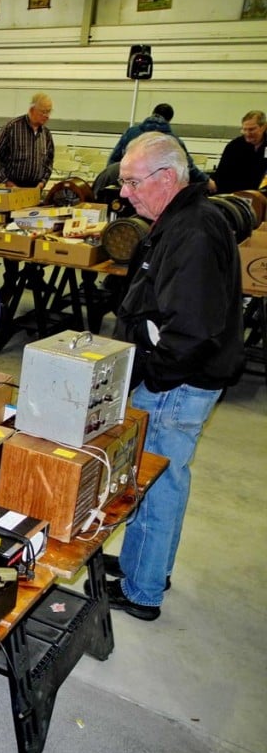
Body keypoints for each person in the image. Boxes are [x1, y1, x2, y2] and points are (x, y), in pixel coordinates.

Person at [106, 132, 244, 621]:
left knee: (156, 483)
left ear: (167, 178)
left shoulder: (196, 231)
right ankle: (143, 566)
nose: (124, 192)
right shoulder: (180, 221)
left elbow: (191, 330)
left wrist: (154, 380)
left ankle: (143, 589)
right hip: (176, 380)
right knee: (159, 480)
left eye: (131, 181)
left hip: (176, 385)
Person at [0, 93, 55, 302]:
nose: (47, 116)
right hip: (13, 189)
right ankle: (10, 280)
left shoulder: (46, 134)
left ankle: (34, 276)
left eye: (49, 112)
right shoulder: (12, 128)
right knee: (13, 237)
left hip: (34, 191)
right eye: (44, 112)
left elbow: (49, 160)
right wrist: (6, 181)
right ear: (32, 109)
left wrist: (43, 181)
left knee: (35, 233)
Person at [107, 103, 213, 188]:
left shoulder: (130, 133)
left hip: (127, 185)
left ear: (153, 113)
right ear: (170, 119)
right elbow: (188, 167)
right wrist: (207, 181)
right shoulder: (173, 141)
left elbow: (113, 160)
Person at [212, 110, 267, 193]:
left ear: (263, 127)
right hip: (235, 193)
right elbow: (222, 174)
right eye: (244, 129)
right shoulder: (234, 146)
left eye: (251, 129)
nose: (247, 133)